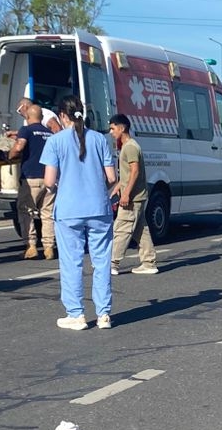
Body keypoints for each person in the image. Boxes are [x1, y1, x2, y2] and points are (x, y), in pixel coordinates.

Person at [41, 96, 117, 331]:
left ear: (62, 116)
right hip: (99, 208)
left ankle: (76, 314)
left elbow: (49, 182)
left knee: (71, 262)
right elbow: (112, 178)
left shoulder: (55, 142)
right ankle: (104, 314)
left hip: (69, 210)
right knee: (102, 261)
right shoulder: (100, 139)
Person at [107, 113, 159, 275]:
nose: (111, 132)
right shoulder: (129, 146)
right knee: (140, 230)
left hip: (133, 198)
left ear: (122, 128)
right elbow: (128, 173)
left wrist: (126, 193)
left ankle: (112, 263)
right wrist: (118, 187)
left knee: (121, 228)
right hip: (138, 196)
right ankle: (149, 262)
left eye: (113, 128)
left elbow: (135, 171)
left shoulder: (130, 147)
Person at [8, 104, 56, 259]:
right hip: (49, 178)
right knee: (47, 214)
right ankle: (49, 247)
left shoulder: (26, 130)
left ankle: (31, 246)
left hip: (31, 178)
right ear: (42, 117)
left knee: (26, 211)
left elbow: (19, 147)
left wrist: (11, 154)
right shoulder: (50, 133)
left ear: (27, 117)